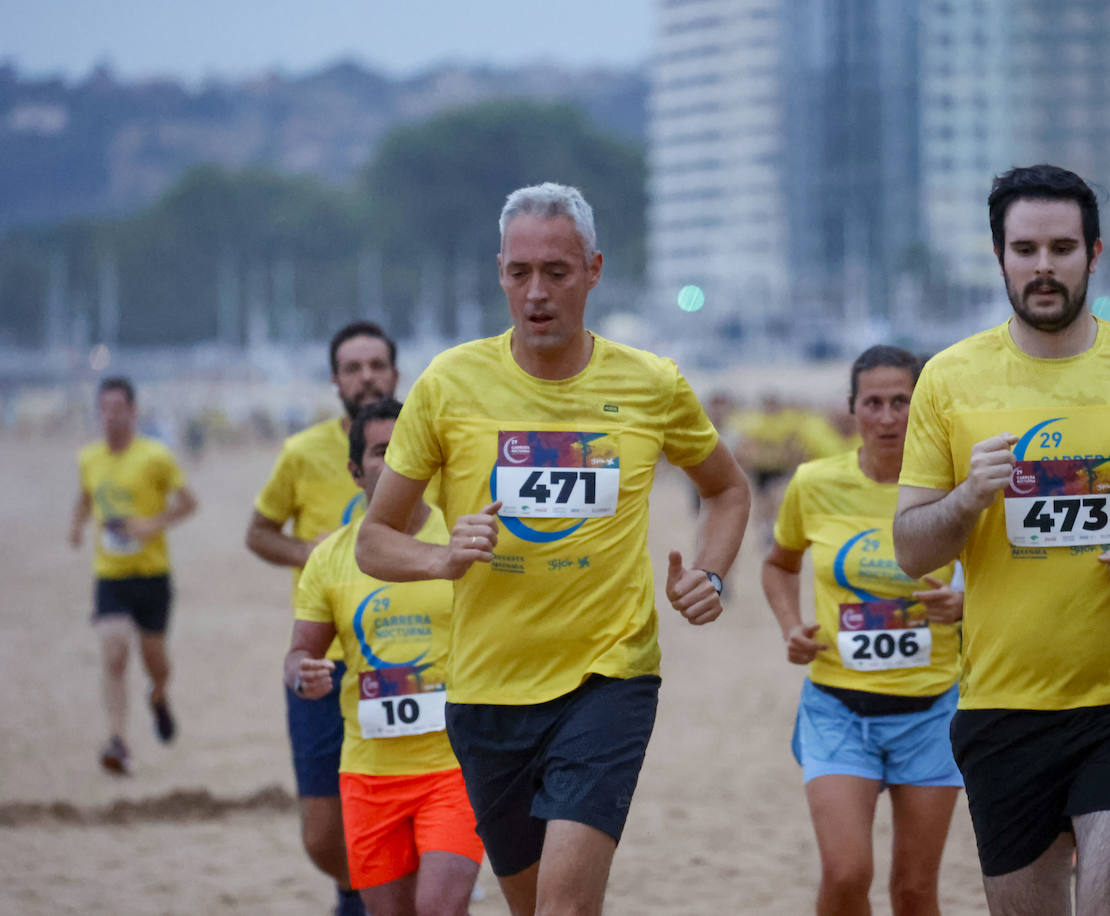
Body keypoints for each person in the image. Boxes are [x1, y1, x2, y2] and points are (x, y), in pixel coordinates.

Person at [356, 182, 751, 916]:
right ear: (500, 272)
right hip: (485, 692)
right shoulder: (449, 385)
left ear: (594, 270)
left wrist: (712, 575)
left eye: (557, 273)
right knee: (535, 907)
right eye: (519, 273)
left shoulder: (651, 384)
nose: (536, 293)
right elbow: (375, 541)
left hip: (609, 676)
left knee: (566, 907)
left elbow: (728, 490)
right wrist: (442, 557)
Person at [892, 164, 1110, 915]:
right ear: (999, 257)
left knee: (1109, 905)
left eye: (1062, 247)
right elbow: (911, 550)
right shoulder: (950, 380)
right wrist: (969, 497)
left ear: (1094, 253)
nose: (1044, 266)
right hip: (1004, 705)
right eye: (1025, 249)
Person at [762, 345, 964, 916]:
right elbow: (779, 564)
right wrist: (790, 627)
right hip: (836, 710)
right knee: (848, 873)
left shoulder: (954, 486)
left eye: (902, 402)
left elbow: (998, 578)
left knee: (915, 890)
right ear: (851, 410)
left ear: (922, 407)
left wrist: (964, 603)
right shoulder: (814, 483)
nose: (887, 417)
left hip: (931, 712)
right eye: (872, 403)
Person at [286, 398, 483, 916]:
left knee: (441, 905)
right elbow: (300, 653)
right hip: (369, 776)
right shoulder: (331, 559)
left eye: (405, 448)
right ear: (355, 471)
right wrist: (302, 673)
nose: (396, 460)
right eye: (380, 452)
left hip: (454, 768)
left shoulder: (462, 540)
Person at [246, 320, 400, 915]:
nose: (366, 377)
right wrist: (307, 553)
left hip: (411, 660)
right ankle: (354, 887)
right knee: (320, 833)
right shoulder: (303, 453)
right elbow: (258, 533)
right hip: (324, 659)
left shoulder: (423, 447)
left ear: (394, 372)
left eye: (376, 365)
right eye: (353, 367)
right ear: (335, 379)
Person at [70, 377, 197, 774]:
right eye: (104, 408)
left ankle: (158, 696)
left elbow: (188, 503)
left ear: (133, 411)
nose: (110, 416)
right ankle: (117, 740)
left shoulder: (156, 457)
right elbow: (87, 496)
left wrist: (150, 524)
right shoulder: (89, 458)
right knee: (113, 652)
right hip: (110, 575)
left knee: (155, 661)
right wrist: (76, 525)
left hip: (152, 575)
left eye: (118, 408)